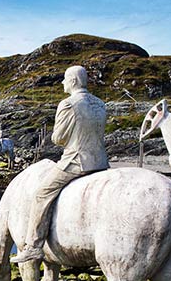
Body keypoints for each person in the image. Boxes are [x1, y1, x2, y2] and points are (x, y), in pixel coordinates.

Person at [11, 65, 109, 263]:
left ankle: (33, 246)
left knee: (42, 193)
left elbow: (58, 138)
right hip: (101, 161)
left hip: (76, 161)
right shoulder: (100, 104)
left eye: (64, 79)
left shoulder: (68, 104)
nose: (63, 83)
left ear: (72, 81)